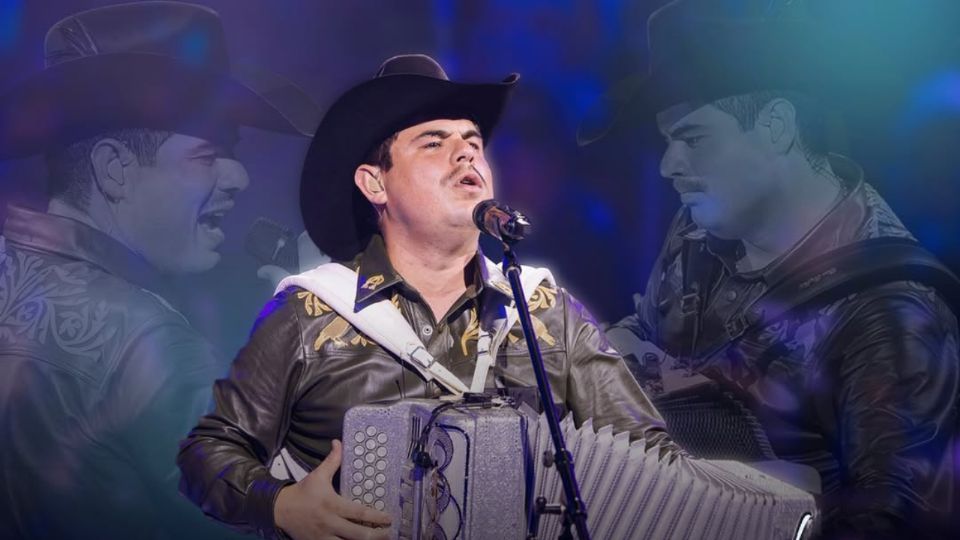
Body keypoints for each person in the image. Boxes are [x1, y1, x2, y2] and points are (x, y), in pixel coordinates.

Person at [178, 54, 673, 540]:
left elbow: (651, 459)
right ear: (375, 182)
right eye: (434, 143)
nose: (466, 154)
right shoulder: (309, 314)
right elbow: (208, 451)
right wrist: (281, 505)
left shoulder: (546, 311)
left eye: (473, 142)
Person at [596, 1, 959, 538]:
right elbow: (648, 340)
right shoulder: (698, 229)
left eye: (693, 139)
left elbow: (897, 522)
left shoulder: (891, 313)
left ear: (775, 127)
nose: (669, 165)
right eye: (667, 141)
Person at [0, 2, 319, 538]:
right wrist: (312, 335)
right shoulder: (152, 344)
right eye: (207, 155)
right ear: (114, 169)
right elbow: (278, 522)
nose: (239, 177)